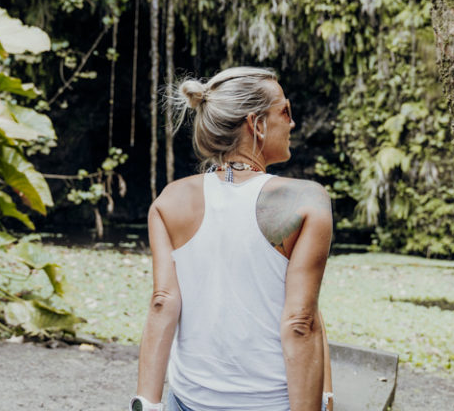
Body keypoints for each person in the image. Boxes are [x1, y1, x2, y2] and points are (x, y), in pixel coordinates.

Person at [129, 67, 334, 411]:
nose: (292, 122)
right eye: (285, 111)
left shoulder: (170, 200)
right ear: (256, 124)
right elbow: (301, 321)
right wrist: (323, 399)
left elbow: (163, 302)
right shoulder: (306, 201)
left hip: (190, 401)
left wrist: (146, 404)